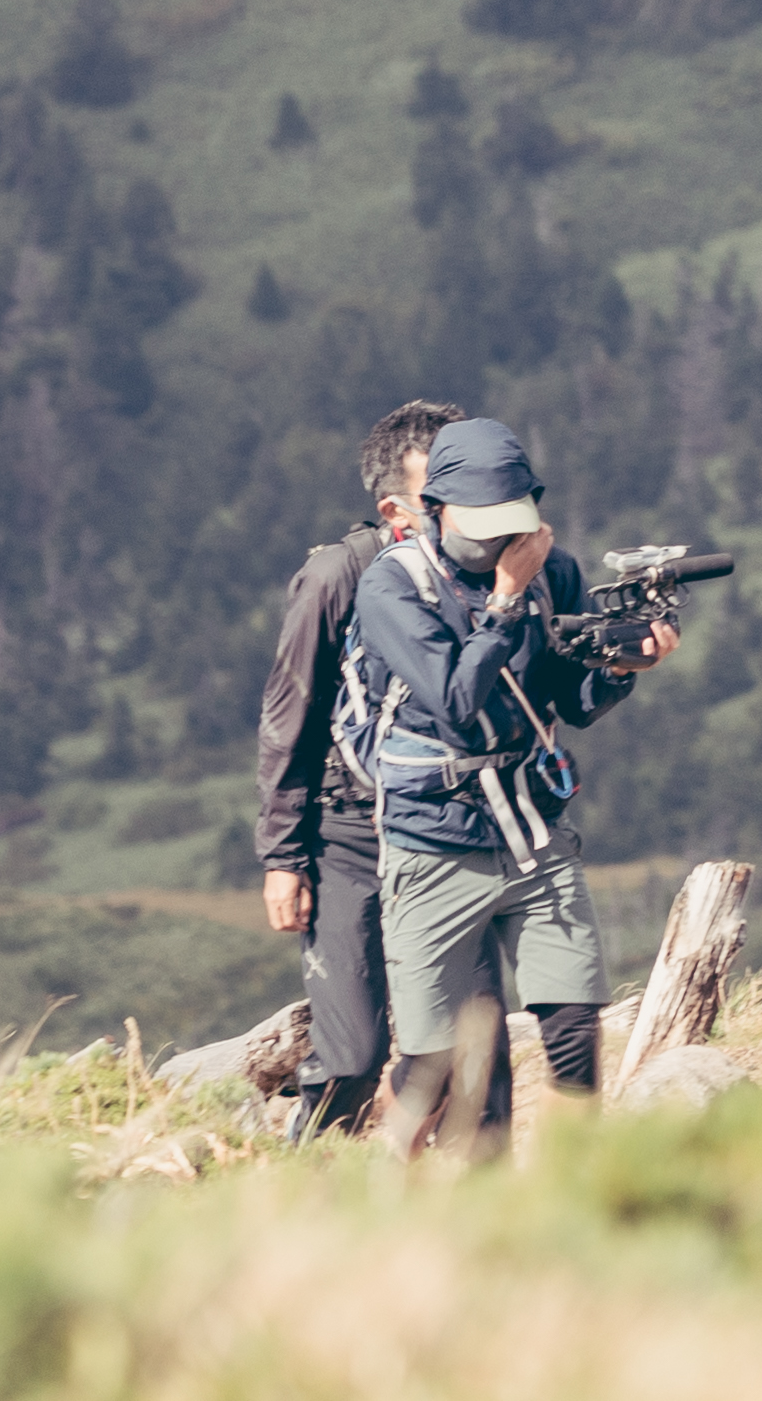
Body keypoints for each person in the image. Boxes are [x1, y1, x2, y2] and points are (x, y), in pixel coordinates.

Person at [349, 411, 673, 1152]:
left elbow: (569, 700)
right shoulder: (393, 588)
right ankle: (382, 1180)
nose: (497, 537)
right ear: (433, 509)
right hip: (433, 841)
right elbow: (456, 705)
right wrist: (503, 600)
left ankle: (573, 1177)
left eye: (510, 521)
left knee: (572, 1021)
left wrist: (625, 668)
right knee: (434, 1058)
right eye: (480, 521)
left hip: (531, 827)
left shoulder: (554, 571)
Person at [253, 397, 493, 1143]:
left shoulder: (486, 571)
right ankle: (306, 1179)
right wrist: (284, 857)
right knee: (354, 1049)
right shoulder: (336, 577)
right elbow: (287, 716)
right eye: (442, 489)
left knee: (466, 1044)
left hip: (448, 827)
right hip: (347, 834)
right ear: (396, 504)